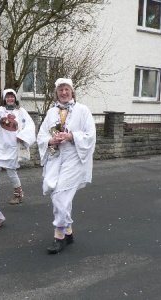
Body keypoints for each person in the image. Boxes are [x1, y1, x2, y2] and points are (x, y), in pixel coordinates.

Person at [37, 78, 96, 254]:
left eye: (66, 89)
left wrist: (72, 136)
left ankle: (59, 235)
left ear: (72, 91)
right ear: (56, 93)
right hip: (56, 156)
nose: (63, 92)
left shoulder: (82, 110)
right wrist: (50, 140)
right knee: (51, 187)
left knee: (60, 196)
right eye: (60, 90)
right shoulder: (51, 112)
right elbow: (41, 135)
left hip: (74, 157)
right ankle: (68, 232)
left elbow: (90, 135)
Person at [0, 85, 36, 205]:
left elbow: (30, 125)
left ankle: (18, 194)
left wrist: (22, 136)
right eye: (8, 97)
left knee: (11, 172)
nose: (10, 99)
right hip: (0, 147)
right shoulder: (1, 111)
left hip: (13, 147)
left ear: (15, 98)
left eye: (12, 97)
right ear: (5, 99)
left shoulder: (21, 111)